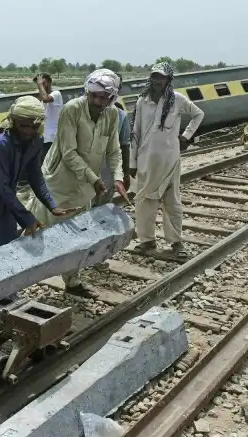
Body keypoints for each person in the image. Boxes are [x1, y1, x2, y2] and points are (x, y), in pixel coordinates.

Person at [0, 96, 70, 347]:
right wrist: (28, 219)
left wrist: (52, 204)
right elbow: (3, 188)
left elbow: (35, 176)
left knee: (4, 265)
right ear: (14, 121)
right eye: (23, 125)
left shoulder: (34, 141)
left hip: (7, 212)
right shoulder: (0, 144)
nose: (28, 130)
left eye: (32, 125)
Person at [25, 68, 129, 298]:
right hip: (58, 183)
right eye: (93, 95)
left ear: (111, 98)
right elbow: (69, 153)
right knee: (36, 232)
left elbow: (113, 151)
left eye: (103, 98)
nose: (97, 101)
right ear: (87, 92)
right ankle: (11, 282)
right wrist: (95, 179)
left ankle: (72, 282)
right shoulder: (71, 109)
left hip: (84, 187)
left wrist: (119, 177)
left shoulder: (112, 115)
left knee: (76, 236)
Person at [129, 62, 204, 259]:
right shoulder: (142, 101)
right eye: (154, 76)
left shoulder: (177, 100)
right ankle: (147, 241)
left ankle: (176, 242)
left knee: (172, 203)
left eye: (160, 77)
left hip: (170, 161)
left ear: (168, 80)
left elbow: (198, 114)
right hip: (146, 162)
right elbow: (135, 133)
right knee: (144, 202)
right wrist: (132, 163)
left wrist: (186, 136)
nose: (156, 81)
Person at [94, 74, 131, 207]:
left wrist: (125, 173)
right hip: (86, 166)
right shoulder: (83, 110)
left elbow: (124, 146)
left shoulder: (120, 115)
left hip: (107, 166)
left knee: (102, 202)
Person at [35, 73, 64, 159]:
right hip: (45, 137)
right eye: (39, 84)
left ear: (50, 82)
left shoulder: (56, 94)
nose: (41, 86)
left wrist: (40, 85)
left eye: (43, 83)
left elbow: (46, 99)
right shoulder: (41, 99)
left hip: (54, 137)